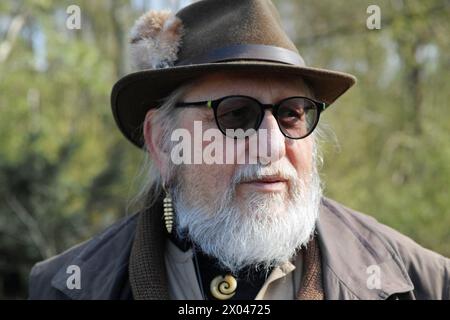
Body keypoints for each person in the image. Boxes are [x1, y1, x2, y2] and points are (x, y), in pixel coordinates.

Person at [29, 0, 449, 300]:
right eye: (234, 115)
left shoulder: (420, 281)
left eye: (291, 115)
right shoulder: (67, 286)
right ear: (163, 142)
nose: (271, 145)